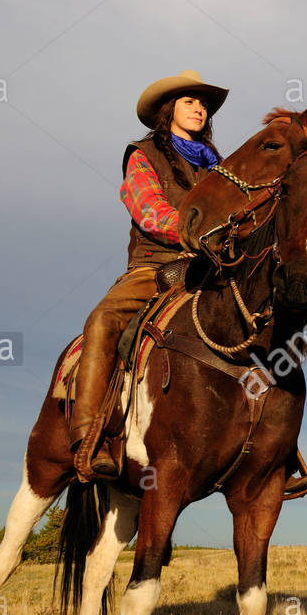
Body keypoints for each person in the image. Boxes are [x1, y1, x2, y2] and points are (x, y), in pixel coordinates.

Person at [70, 69, 225, 481]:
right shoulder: (143, 155)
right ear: (168, 109)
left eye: (203, 103)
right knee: (102, 321)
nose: (199, 108)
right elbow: (149, 211)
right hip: (157, 265)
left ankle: (277, 449)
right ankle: (91, 436)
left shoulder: (221, 168)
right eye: (190, 100)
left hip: (213, 266)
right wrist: (198, 233)